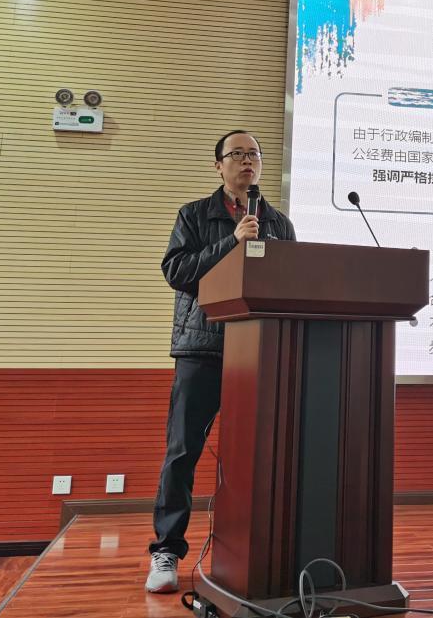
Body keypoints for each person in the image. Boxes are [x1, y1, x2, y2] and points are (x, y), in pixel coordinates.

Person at [146, 129, 296, 594]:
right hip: (203, 349)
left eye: (254, 154)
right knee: (183, 451)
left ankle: (255, 546)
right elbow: (177, 272)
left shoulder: (279, 223)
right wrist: (231, 241)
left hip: (260, 350)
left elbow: (291, 281)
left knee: (260, 452)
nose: (247, 161)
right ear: (219, 165)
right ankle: (166, 550)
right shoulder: (194, 214)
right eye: (237, 154)